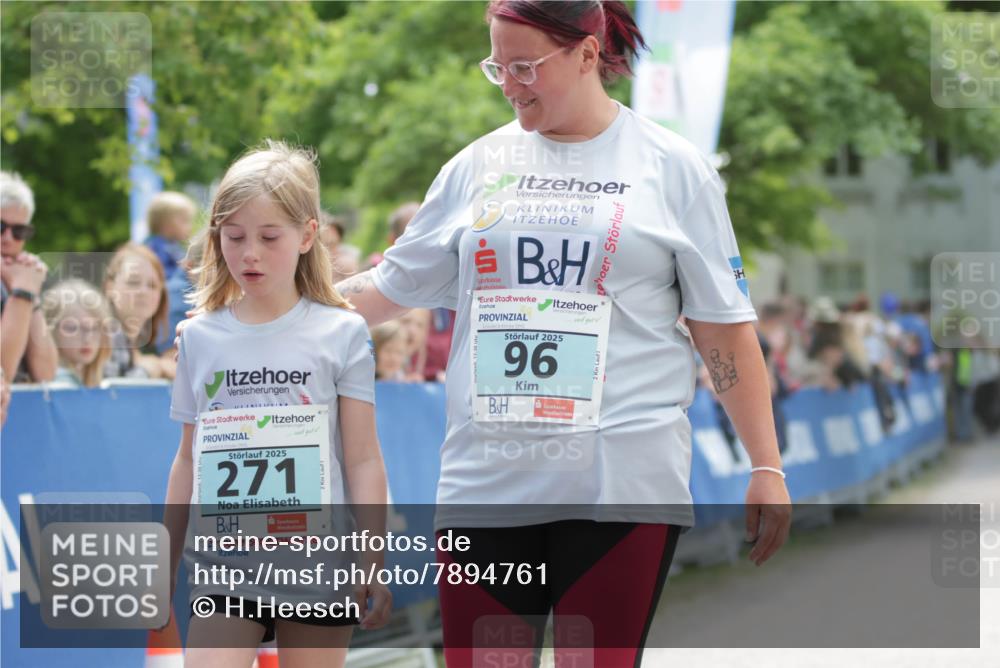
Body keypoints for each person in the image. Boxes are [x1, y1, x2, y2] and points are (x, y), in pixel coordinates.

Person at [332, 2, 791, 665]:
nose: (512, 84)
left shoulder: (672, 166)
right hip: (485, 485)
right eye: (498, 67)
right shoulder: (475, 167)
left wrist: (766, 465)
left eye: (526, 66)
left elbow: (722, 330)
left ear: (586, 52)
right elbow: (385, 287)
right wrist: (270, 309)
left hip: (620, 482)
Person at [163, 140, 391, 667]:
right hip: (224, 564)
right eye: (233, 237)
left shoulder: (343, 332)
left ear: (308, 234)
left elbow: (362, 456)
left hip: (318, 565)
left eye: (269, 237)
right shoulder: (198, 338)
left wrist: (371, 560)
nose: (249, 254)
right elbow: (186, 457)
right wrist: (166, 560)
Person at [1, 170, 58, 383]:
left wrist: (28, 293)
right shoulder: (20, 282)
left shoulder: (18, 275)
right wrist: (23, 292)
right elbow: (2, 374)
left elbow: (45, 374)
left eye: (19, 231)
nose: (8, 238)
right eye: (0, 227)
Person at [102, 243, 175, 379]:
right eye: (133, 282)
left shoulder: (130, 345)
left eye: (152, 285)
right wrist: (149, 370)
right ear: (110, 287)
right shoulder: (106, 335)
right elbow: (112, 395)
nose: (143, 292)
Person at [41, 279, 113, 387]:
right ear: (51, 331)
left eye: (95, 328)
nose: (87, 338)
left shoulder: (98, 380)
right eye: (72, 328)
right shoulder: (60, 383)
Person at [144, 191, 197, 281]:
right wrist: (183, 271)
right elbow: (160, 276)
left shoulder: (174, 245)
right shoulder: (155, 247)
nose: (190, 226)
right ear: (166, 223)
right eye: (184, 221)